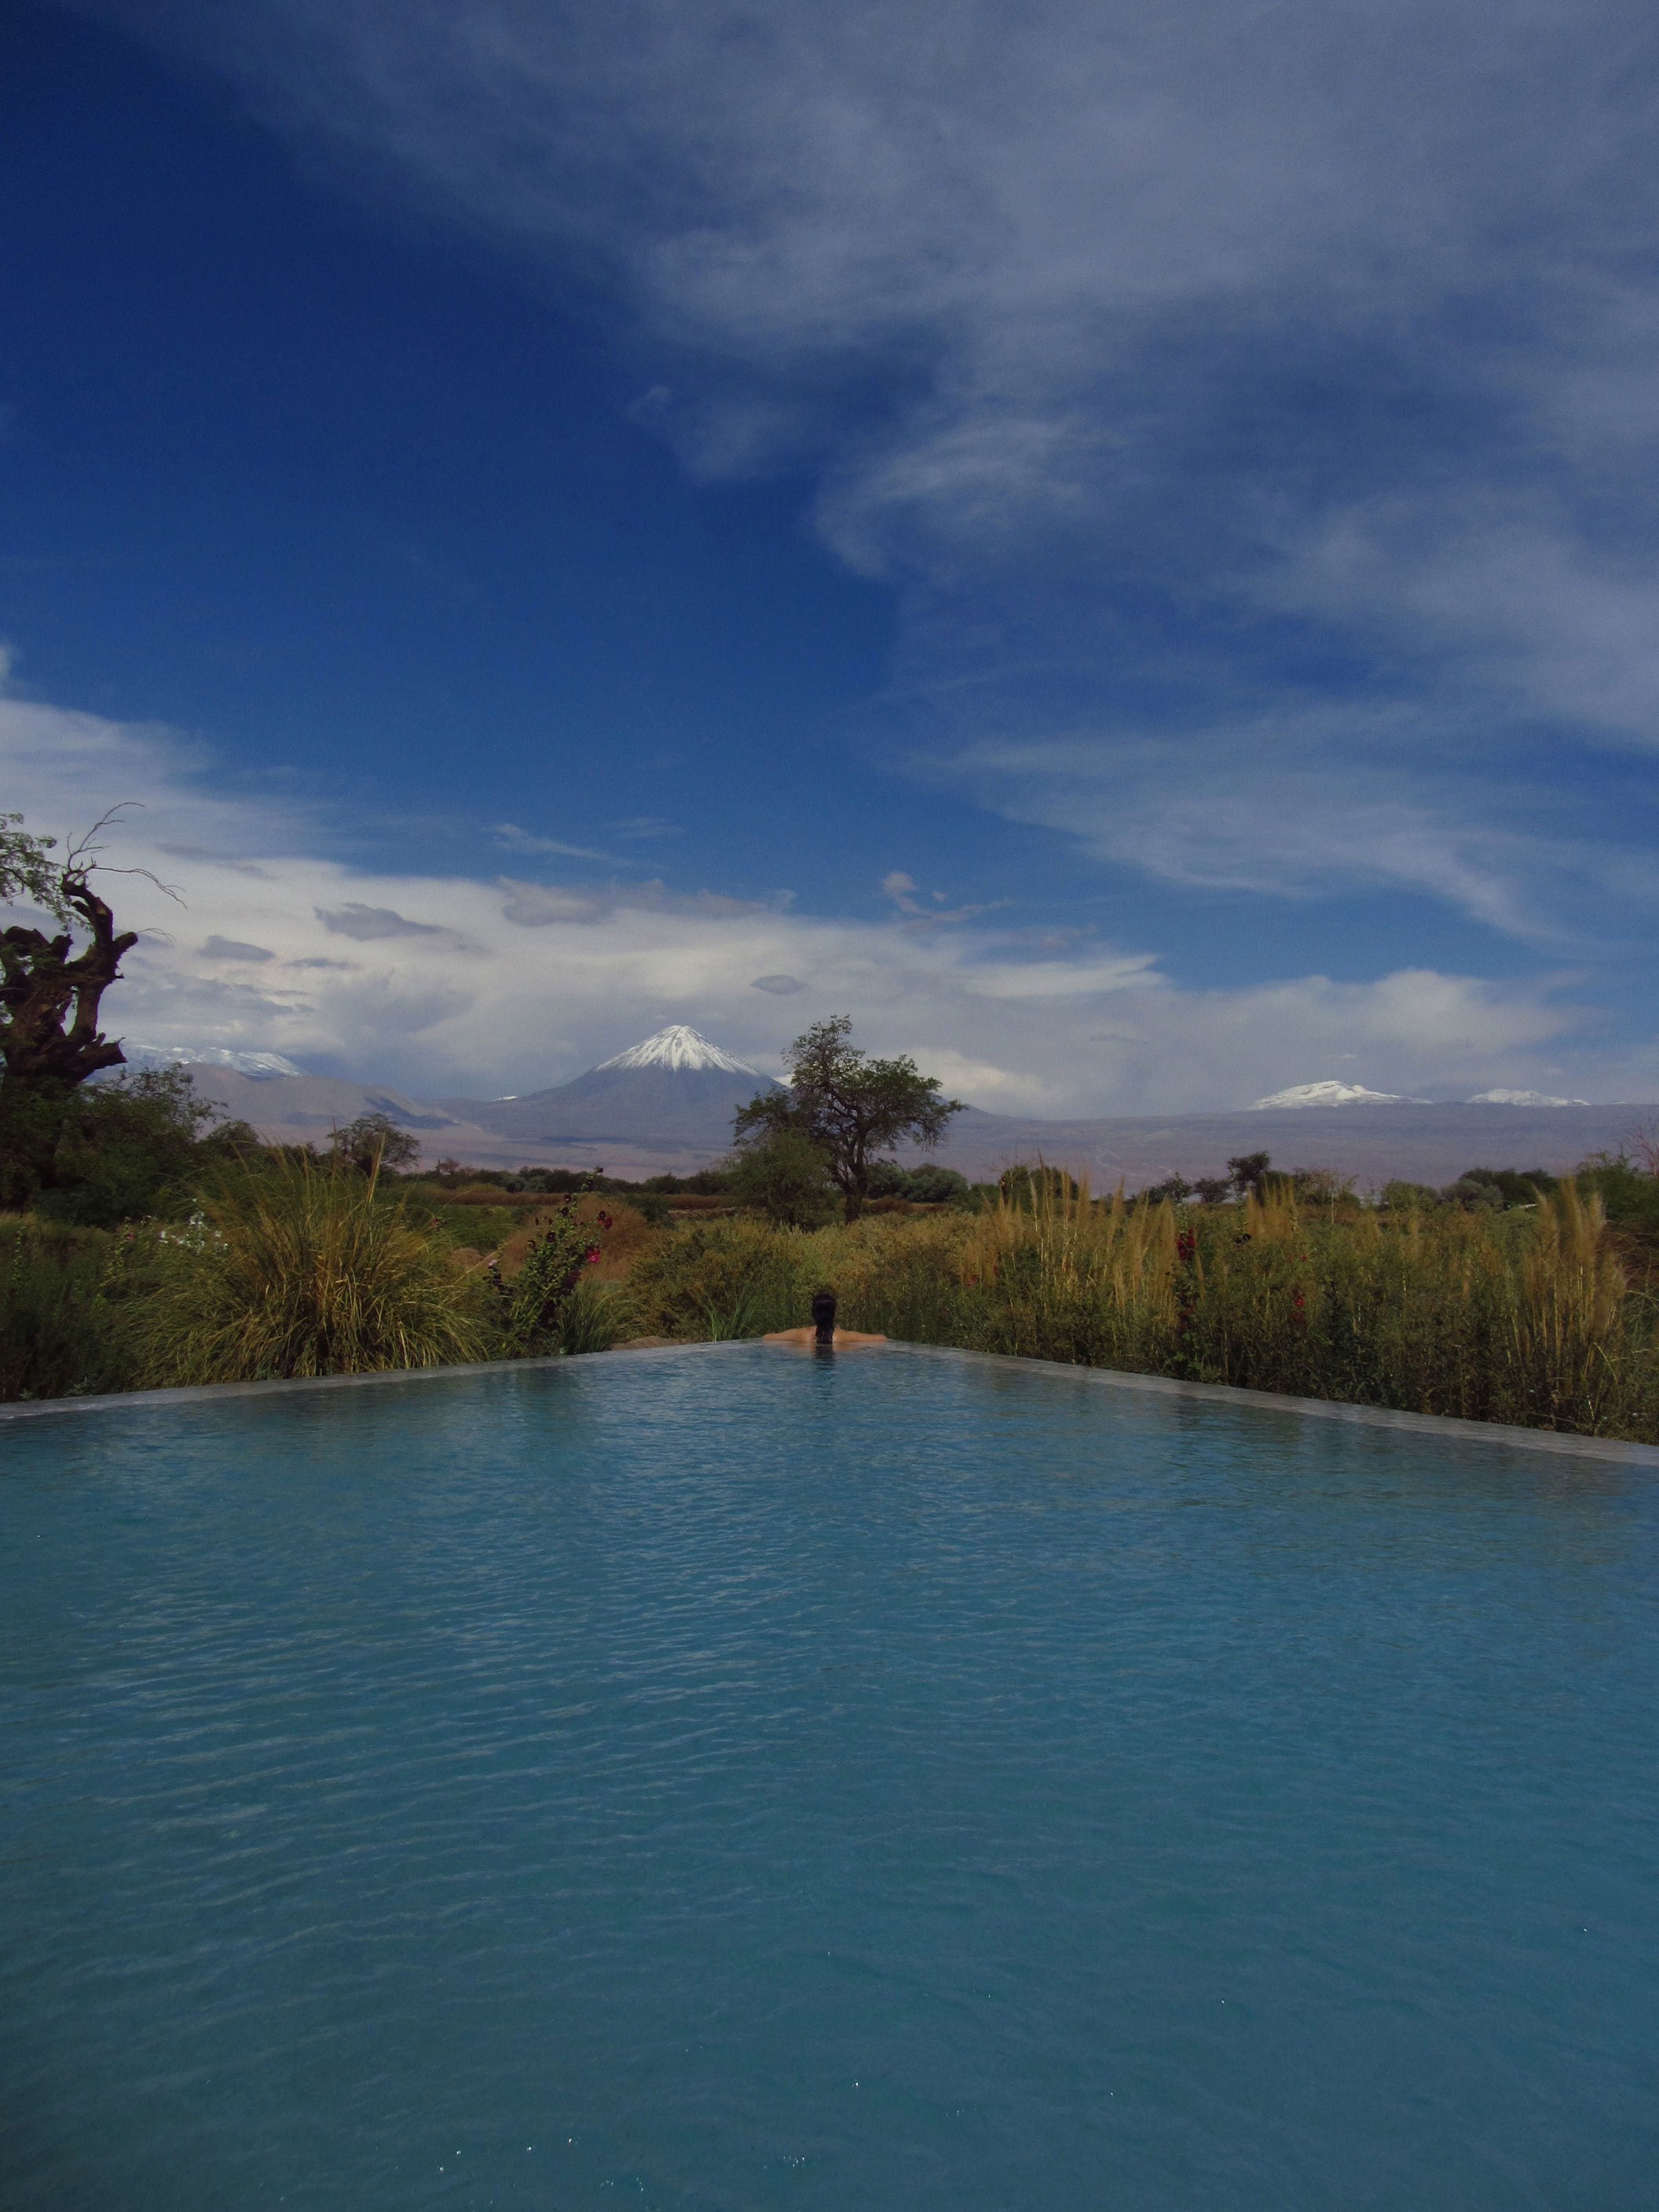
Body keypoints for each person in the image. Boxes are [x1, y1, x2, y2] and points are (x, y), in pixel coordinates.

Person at [764, 1287, 886, 1349]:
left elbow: (767, 1338)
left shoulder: (801, 1335)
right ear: (834, 1314)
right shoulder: (842, 1336)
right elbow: (881, 1339)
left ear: (813, 1313)